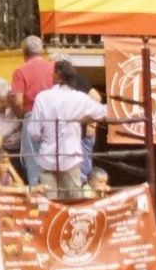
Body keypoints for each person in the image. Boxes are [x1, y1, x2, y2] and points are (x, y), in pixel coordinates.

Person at [27, 61, 107, 197]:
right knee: (74, 204)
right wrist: (87, 119)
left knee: (48, 205)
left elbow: (34, 132)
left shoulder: (42, 97)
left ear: (58, 75)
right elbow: (103, 112)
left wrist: (44, 138)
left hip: (47, 158)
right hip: (71, 157)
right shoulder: (79, 98)